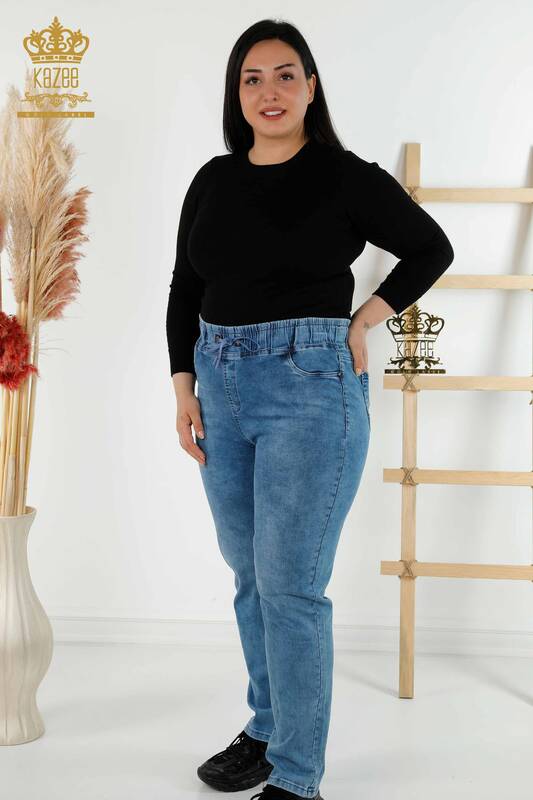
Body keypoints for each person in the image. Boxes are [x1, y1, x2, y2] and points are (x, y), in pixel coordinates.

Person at [166, 18, 454, 800]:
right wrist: (183, 385)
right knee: (250, 576)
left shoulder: (345, 176)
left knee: (289, 586)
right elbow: (186, 285)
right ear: (236, 93)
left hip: (309, 387)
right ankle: (267, 731)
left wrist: (366, 318)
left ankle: (296, 779)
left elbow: (430, 248)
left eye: (285, 75)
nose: (269, 91)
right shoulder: (213, 180)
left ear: (310, 87)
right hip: (219, 385)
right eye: (252, 78)